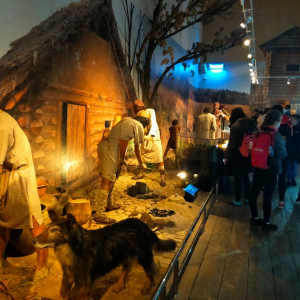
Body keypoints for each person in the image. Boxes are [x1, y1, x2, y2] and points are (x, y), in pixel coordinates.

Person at [0, 110, 49, 286]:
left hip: (20, 177)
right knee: (2, 220)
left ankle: (42, 267)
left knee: (34, 220)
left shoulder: (1, 126)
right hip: (9, 174)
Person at [96, 116, 151, 223]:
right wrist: (141, 164)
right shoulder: (138, 125)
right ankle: (99, 214)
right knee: (107, 181)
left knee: (112, 176)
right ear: (144, 124)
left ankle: (110, 204)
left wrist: (121, 160)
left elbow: (122, 142)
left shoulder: (128, 121)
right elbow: (136, 148)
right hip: (110, 149)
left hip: (106, 147)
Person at [249, 110, 287, 231]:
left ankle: (255, 218)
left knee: (254, 192)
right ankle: (266, 223)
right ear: (276, 121)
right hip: (271, 168)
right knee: (268, 196)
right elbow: (283, 154)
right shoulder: (276, 135)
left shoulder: (259, 133)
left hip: (258, 166)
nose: (280, 124)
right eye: (280, 121)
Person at [224, 107, 256, 206]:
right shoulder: (251, 124)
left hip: (238, 154)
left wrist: (226, 156)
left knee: (237, 177)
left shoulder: (236, 126)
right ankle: (247, 198)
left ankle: (237, 200)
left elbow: (232, 143)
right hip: (249, 153)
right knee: (245, 176)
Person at [133, 100, 166, 187]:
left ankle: (162, 178)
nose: (136, 107)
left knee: (159, 158)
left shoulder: (150, 111)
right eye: (135, 106)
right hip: (145, 139)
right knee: (143, 156)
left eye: (137, 106)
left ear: (141, 106)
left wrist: (151, 135)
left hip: (153, 138)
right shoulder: (138, 115)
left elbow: (154, 123)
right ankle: (141, 173)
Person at [271, 104, 292, 209]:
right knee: (282, 178)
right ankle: (281, 201)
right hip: (284, 156)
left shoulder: (271, 125)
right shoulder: (288, 124)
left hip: (272, 156)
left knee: (271, 177)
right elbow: (289, 141)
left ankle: (269, 199)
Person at [287, 114, 300, 187]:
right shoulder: (288, 127)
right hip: (289, 151)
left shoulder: (297, 129)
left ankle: (292, 179)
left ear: (297, 120)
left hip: (295, 152)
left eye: (292, 119)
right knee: (289, 167)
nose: (291, 120)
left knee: (294, 167)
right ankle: (289, 179)